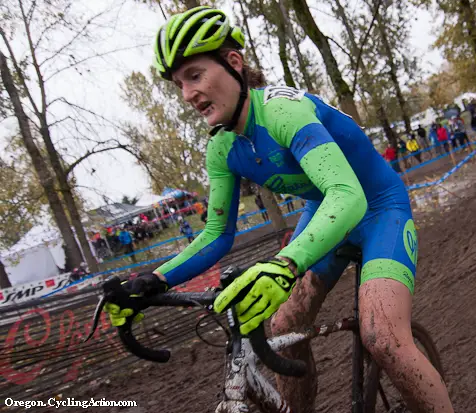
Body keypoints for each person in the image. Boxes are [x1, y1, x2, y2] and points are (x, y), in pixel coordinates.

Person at [102, 7, 453, 413]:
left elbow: (348, 195)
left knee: (384, 337)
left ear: (233, 63)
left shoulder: (282, 111)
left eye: (195, 75)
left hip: (377, 210)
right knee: (285, 325)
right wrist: (154, 281)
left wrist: (285, 265)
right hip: (325, 213)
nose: (187, 95)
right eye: (179, 84)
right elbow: (217, 233)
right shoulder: (221, 148)